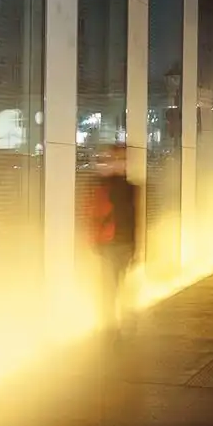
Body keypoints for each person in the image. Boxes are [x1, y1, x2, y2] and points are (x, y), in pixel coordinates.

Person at [84, 144, 138, 341]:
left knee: (119, 284)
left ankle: (118, 322)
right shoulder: (102, 186)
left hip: (123, 244)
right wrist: (94, 241)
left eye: (124, 160)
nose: (120, 163)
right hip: (109, 244)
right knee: (110, 286)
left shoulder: (131, 187)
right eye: (117, 159)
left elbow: (134, 219)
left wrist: (137, 246)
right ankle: (109, 325)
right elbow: (93, 214)